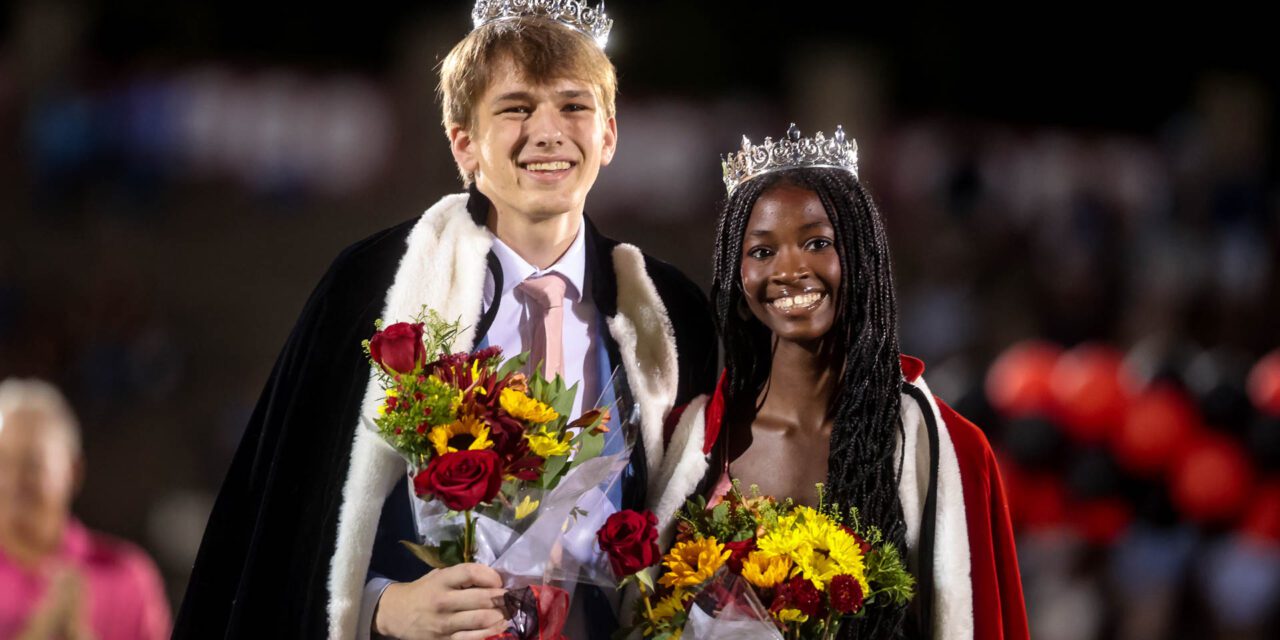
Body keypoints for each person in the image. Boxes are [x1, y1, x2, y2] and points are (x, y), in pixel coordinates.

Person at [175, 2, 717, 639]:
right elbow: (285, 517)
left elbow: (690, 524)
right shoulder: (375, 285)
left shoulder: (668, 311)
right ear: (464, 141)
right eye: (516, 108)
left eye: (574, 107)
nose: (548, 132)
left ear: (609, 134)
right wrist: (381, 606)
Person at [649, 125, 1028, 639]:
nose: (790, 268)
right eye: (762, 251)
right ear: (738, 283)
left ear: (862, 261)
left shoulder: (950, 450)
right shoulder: (687, 443)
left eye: (817, 243)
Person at [0, 378, 171, 640]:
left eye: (32, 465)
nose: (12, 480)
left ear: (73, 470)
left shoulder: (128, 578)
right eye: (2, 461)